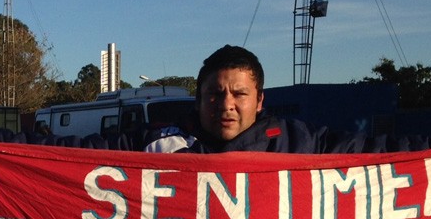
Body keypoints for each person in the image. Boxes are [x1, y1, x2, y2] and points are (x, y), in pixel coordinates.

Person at [143, 45, 343, 154]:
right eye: (215, 94)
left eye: (239, 94)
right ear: (198, 100)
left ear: (259, 101)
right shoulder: (155, 144)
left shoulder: (297, 143)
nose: (226, 105)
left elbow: (368, 154)